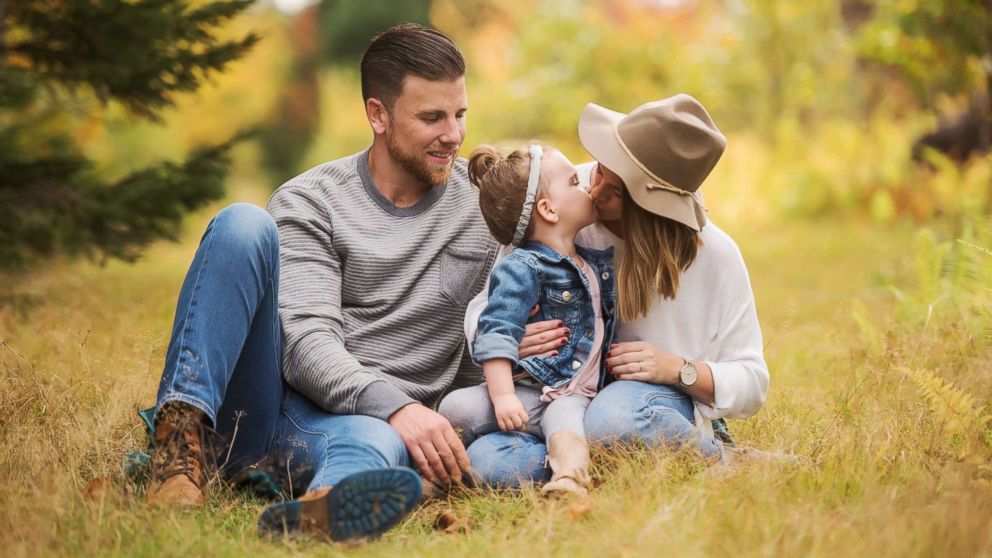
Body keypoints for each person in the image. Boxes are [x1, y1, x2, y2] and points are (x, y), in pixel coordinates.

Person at [145, 23, 497, 540]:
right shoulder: (311, 200)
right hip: (274, 408)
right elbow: (307, 343)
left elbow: (572, 204)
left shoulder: (484, 206)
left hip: (365, 431)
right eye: (432, 117)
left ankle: (319, 513)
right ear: (378, 115)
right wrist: (399, 406)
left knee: (370, 444)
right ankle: (178, 448)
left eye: (459, 114)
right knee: (242, 224)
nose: (454, 135)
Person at [456, 95, 770, 487]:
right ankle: (596, 468)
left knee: (613, 417)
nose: (594, 185)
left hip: (642, 401)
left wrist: (676, 369)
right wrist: (511, 339)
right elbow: (487, 306)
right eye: (601, 167)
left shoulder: (715, 256)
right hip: (559, 400)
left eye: (616, 189)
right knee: (487, 463)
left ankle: (725, 459)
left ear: (653, 208)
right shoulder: (568, 202)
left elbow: (752, 382)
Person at [439, 144, 615, 496]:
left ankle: (569, 479)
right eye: (574, 182)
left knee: (563, 421)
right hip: (522, 391)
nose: (586, 185)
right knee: (455, 406)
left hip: (570, 393)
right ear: (548, 210)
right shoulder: (521, 268)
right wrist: (503, 397)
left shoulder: (593, 263)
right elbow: (497, 330)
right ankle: (438, 476)